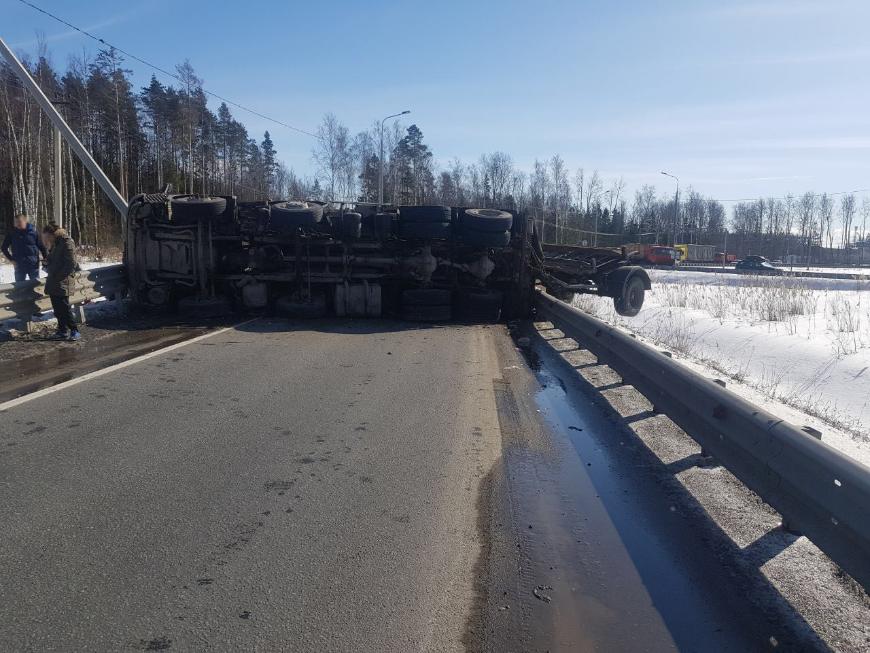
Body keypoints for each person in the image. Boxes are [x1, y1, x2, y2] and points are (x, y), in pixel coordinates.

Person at [41, 222, 81, 341]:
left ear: (53, 234)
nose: (47, 240)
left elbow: (71, 263)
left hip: (63, 281)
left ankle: (74, 330)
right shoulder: (56, 243)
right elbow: (54, 258)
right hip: (54, 280)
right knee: (57, 308)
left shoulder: (67, 242)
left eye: (48, 237)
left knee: (64, 308)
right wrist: (46, 261)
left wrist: (59, 276)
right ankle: (62, 330)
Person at [2, 213, 48, 282]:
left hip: (33, 265)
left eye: (19, 222)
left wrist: (46, 258)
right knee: (19, 287)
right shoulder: (12, 233)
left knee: (35, 284)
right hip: (19, 265)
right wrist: (11, 260)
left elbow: (42, 247)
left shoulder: (33, 232)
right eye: (16, 222)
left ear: (25, 221)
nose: (17, 224)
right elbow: (4, 248)